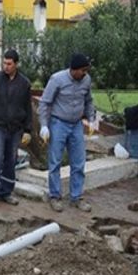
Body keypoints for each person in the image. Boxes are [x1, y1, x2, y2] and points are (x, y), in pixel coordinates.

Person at [38, 53, 95, 213]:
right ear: (73, 69)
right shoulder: (57, 79)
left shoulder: (86, 80)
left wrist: (91, 119)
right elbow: (45, 103)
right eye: (82, 70)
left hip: (76, 124)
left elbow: (89, 100)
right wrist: (44, 125)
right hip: (58, 123)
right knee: (55, 161)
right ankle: (55, 196)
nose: (85, 73)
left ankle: (76, 197)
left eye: (86, 70)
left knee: (78, 161)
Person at [0, 49, 32, 208]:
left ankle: (6, 192)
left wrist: (28, 130)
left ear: (16, 64)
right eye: (4, 63)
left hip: (16, 128)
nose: (6, 66)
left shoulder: (24, 83)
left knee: (11, 159)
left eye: (9, 64)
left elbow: (27, 108)